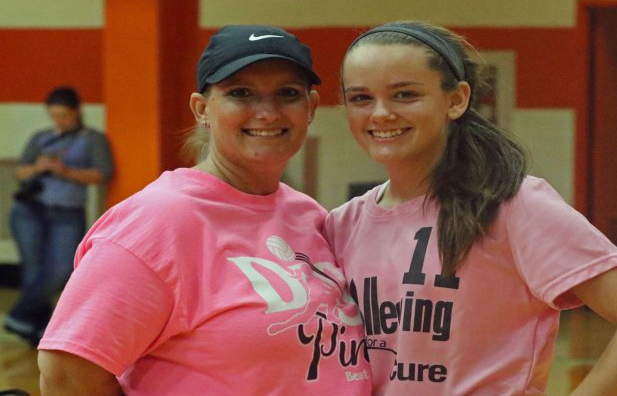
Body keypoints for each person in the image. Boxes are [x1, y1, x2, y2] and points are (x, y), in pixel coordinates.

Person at [326, 21, 617, 396]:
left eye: (404, 95)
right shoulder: (342, 224)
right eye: (361, 98)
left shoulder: (514, 205)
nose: (380, 113)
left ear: (456, 100)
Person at [36, 25, 371, 395]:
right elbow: (66, 374)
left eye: (287, 93)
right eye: (240, 93)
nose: (267, 111)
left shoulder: (306, 213)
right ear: (202, 109)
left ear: (309, 108)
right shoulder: (159, 221)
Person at [4, 87, 113, 346]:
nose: (59, 121)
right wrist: (38, 167)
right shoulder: (41, 137)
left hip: (66, 211)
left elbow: (102, 174)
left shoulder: (92, 138)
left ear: (76, 112)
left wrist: (64, 171)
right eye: (54, 116)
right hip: (30, 210)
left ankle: (18, 316)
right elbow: (20, 172)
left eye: (64, 115)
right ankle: (38, 331)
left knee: (61, 269)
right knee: (33, 270)